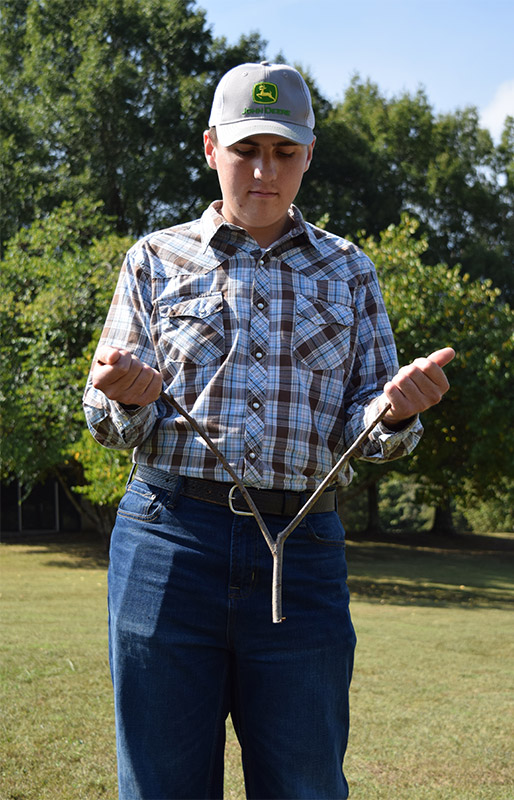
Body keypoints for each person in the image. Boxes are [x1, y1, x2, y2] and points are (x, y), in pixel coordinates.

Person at [83, 61, 454, 800]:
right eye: (248, 149)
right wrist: (125, 397)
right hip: (167, 545)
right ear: (212, 148)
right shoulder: (154, 259)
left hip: (303, 555)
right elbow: (106, 419)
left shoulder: (349, 271)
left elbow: (365, 420)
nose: (265, 170)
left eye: (284, 152)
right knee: (160, 786)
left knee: (306, 784)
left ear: (308, 155)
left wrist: (398, 409)